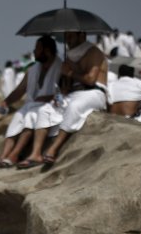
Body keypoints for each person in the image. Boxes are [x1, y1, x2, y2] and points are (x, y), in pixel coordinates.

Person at [40, 31, 109, 164]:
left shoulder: (94, 52)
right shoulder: (70, 56)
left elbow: (90, 79)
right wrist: (63, 88)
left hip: (94, 93)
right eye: (66, 36)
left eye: (71, 36)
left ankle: (54, 148)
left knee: (74, 107)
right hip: (74, 93)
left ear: (81, 35)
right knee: (47, 109)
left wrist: (70, 72)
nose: (68, 39)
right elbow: (68, 85)